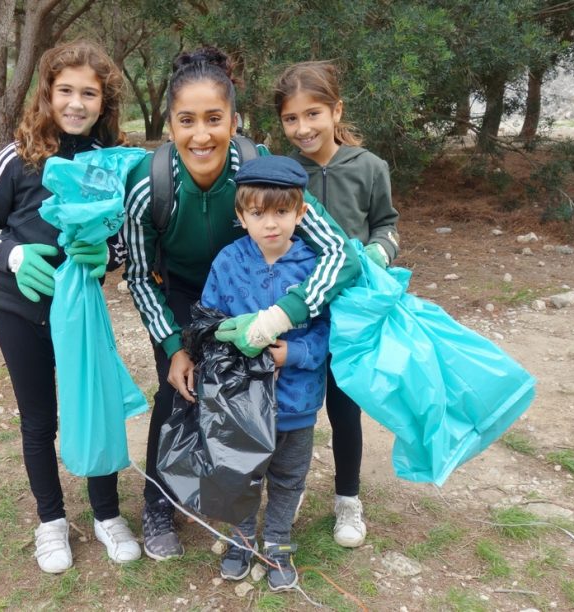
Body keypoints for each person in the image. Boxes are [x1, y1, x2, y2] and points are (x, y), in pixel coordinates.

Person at [123, 46, 360, 561]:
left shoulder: (260, 171)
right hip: (185, 292)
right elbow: (138, 275)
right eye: (187, 121)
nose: (201, 135)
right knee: (178, 391)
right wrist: (175, 345)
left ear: (234, 121)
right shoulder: (149, 183)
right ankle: (160, 502)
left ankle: (247, 500)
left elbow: (341, 253)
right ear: (169, 125)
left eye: (214, 119)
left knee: (247, 392)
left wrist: (285, 313)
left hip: (254, 285)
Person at [0, 40, 139, 574]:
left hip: (81, 314)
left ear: (104, 102)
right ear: (47, 93)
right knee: (38, 420)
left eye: (89, 93)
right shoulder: (16, 157)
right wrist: (12, 256)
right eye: (66, 90)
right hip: (20, 311)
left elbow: (126, 239)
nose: (76, 103)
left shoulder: (112, 163)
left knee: (95, 407)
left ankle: (107, 514)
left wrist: (107, 256)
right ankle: (51, 521)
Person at [274, 61, 401, 548]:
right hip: (299, 313)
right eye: (291, 118)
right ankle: (288, 489)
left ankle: (348, 498)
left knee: (345, 410)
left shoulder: (369, 167)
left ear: (336, 111)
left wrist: (381, 250)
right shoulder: (285, 174)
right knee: (292, 410)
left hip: (351, 315)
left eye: (313, 114)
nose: (303, 128)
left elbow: (387, 223)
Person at [201, 155, 330, 591]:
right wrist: (235, 352)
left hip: (297, 402)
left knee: (289, 478)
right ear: (241, 216)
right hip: (242, 403)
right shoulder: (227, 261)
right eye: (257, 213)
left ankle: (277, 542)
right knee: (241, 474)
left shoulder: (316, 267)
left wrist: (293, 353)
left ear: (300, 212)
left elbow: (331, 332)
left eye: (281, 212)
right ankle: (240, 541)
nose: (270, 224)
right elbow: (211, 322)